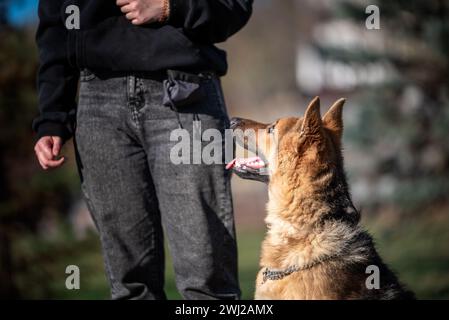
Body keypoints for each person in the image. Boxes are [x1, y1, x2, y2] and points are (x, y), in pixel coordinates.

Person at [32, 0, 253, 300]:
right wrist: (52, 117)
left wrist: (170, 7)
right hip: (98, 103)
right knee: (131, 287)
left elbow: (233, 7)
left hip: (184, 94)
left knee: (207, 283)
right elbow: (56, 27)